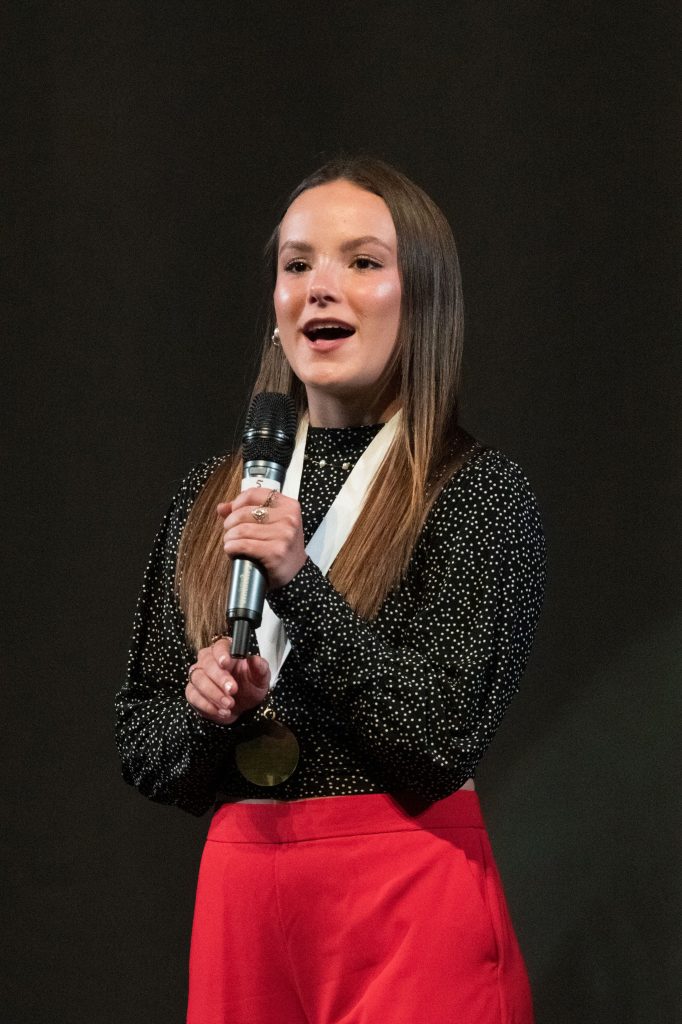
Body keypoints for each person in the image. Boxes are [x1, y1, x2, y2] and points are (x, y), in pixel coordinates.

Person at [115, 156, 546, 1024]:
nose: (321, 288)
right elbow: (141, 741)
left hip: (404, 889)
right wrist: (206, 710)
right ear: (276, 308)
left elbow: (440, 739)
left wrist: (299, 584)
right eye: (298, 263)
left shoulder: (476, 492)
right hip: (244, 895)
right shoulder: (215, 496)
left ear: (420, 300)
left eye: (362, 262)